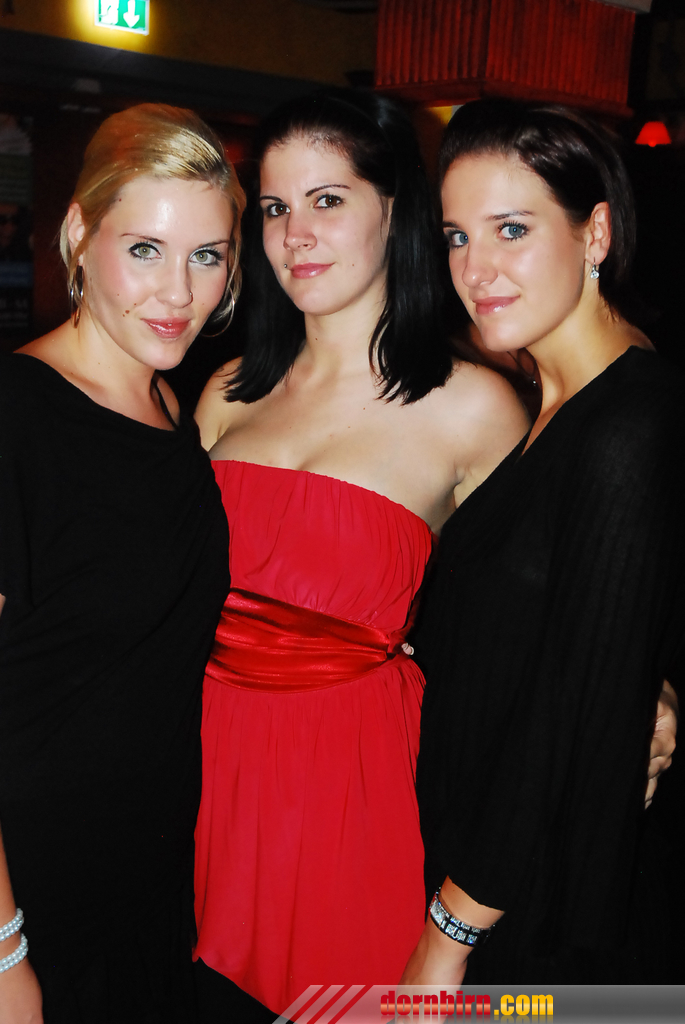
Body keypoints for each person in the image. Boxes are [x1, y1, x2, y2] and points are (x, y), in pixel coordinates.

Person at [191, 89, 529, 1019]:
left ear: (394, 209)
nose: (294, 234)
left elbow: (539, 620)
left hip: (355, 785)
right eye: (274, 207)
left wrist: (653, 693)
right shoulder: (223, 393)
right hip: (206, 771)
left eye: (328, 200)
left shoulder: (474, 408)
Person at [404, 99, 684, 985]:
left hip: (528, 919)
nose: (474, 268)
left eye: (511, 230)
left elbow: (560, 716)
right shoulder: (553, 403)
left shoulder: (625, 424)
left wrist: (447, 937)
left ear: (594, 233)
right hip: (490, 871)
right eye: (456, 237)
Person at [0, 103, 244, 1022]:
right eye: (145, 249)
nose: (179, 293)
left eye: (207, 256)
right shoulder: (16, 417)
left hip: (147, 881)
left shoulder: (174, 409)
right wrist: (5, 953)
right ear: (78, 233)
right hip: (34, 895)